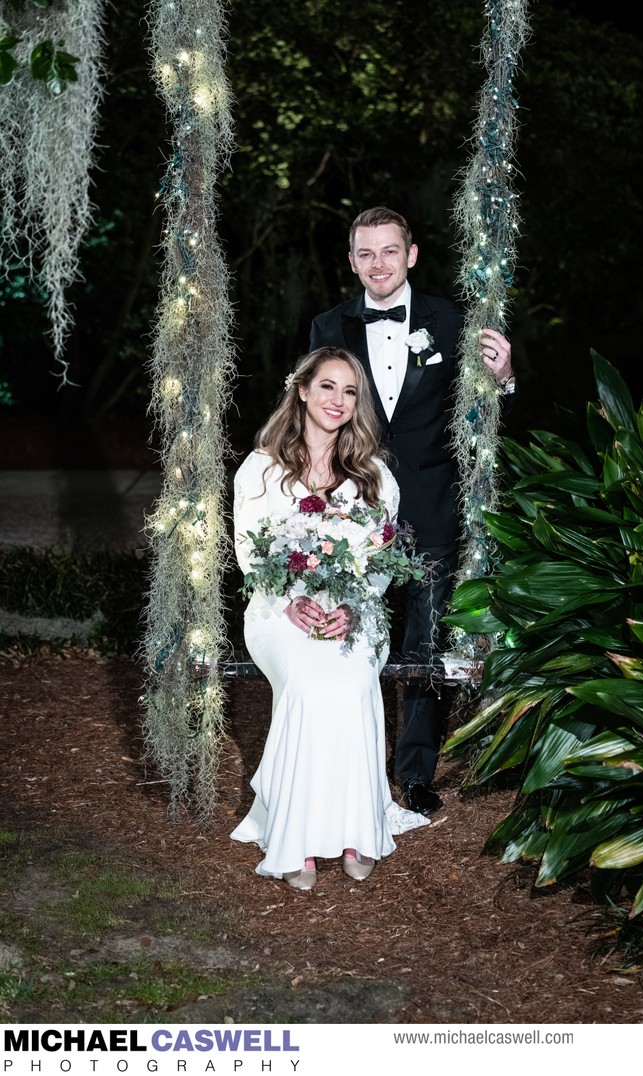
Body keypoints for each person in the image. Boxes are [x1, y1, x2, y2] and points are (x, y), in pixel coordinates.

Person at [310, 206, 515, 816]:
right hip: (353, 508)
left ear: (412, 255)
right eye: (365, 254)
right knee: (349, 633)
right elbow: (315, 418)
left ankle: (416, 772)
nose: (378, 264)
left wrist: (503, 376)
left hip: (431, 506)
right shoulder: (328, 325)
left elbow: (482, 408)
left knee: (423, 641)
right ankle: (349, 767)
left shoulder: (453, 321)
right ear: (351, 262)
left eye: (389, 251)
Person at [231, 346, 430, 891]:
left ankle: (354, 831)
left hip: (355, 610)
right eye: (327, 387)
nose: (338, 400)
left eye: (349, 391)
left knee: (348, 680)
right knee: (309, 684)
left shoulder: (374, 477)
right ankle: (296, 837)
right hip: (277, 610)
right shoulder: (261, 469)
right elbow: (251, 559)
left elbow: (382, 566)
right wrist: (291, 602)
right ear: (301, 390)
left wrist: (351, 606)